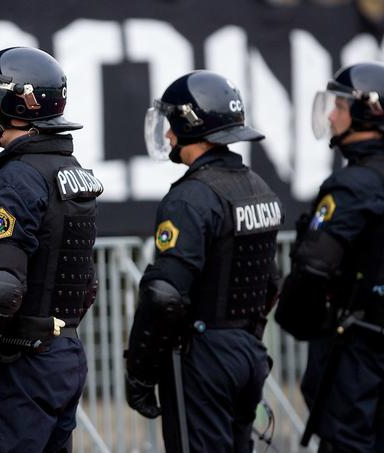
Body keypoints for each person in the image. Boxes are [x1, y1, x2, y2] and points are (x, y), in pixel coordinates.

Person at [0, 46, 102, 452]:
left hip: (24, 365)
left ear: (19, 104)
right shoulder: (71, 172)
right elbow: (86, 284)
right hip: (64, 356)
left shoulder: (16, 181)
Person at [125, 70, 283, 452]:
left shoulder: (190, 198)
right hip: (248, 350)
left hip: (202, 356)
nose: (167, 135)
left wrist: (140, 372)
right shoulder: (258, 187)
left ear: (190, 123)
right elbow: (271, 283)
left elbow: (164, 296)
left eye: (172, 124)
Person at [275, 62, 384, 452]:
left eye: (339, 105)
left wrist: (301, 320)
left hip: (358, 352)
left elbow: (314, 267)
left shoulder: (352, 188)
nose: (332, 115)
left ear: (367, 111)